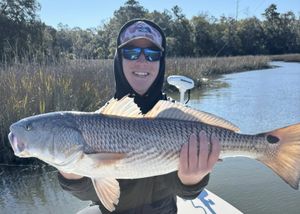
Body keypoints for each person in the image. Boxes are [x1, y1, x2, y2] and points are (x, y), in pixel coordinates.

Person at [58, 19, 220, 214]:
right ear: (119, 59)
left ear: (161, 61)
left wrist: (192, 181)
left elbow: (184, 193)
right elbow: (94, 192)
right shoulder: (98, 121)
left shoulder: (176, 116)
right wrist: (71, 176)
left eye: (152, 54)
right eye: (131, 52)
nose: (142, 61)